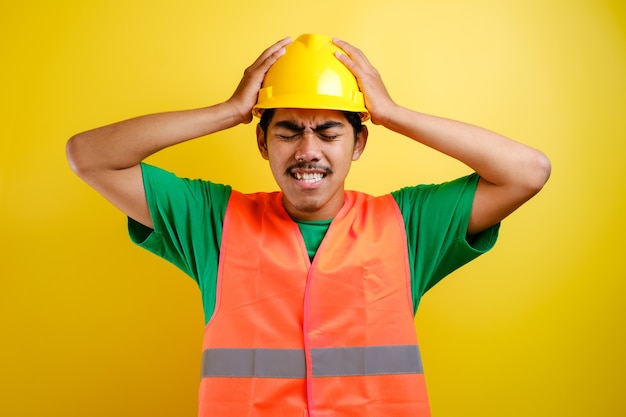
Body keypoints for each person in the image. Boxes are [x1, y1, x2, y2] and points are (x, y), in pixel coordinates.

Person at [66, 34, 550, 417]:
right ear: (262, 142)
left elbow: (528, 171)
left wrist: (393, 115)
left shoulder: (408, 225)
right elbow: (89, 156)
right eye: (288, 130)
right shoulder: (211, 221)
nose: (307, 151)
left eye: (328, 130)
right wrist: (228, 111)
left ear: (359, 142)